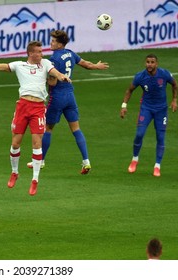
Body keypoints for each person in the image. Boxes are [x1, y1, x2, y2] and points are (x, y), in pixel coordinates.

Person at [0, 41, 71, 196]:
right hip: (23, 107)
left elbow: (55, 73)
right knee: (15, 143)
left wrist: (61, 76)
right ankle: (14, 172)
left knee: (36, 142)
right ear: (31, 53)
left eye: (41, 51)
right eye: (39, 52)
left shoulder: (45, 64)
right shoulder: (19, 65)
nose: (41, 54)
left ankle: (35, 180)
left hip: (38, 108)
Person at [26, 30, 109, 174]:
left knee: (48, 129)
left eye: (53, 41)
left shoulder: (54, 59)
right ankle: (86, 161)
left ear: (59, 43)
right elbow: (86, 64)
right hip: (70, 95)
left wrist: (42, 77)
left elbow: (52, 83)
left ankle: (41, 161)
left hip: (57, 97)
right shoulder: (70, 53)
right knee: (76, 129)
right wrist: (97, 66)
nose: (50, 43)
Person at [120, 54, 178, 177]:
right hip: (146, 109)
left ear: (157, 64)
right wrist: (124, 106)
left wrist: (174, 100)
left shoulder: (164, 74)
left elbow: (174, 84)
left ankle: (157, 166)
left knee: (160, 137)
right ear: (145, 63)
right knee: (139, 134)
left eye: (152, 62)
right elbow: (129, 90)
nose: (149, 64)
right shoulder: (140, 76)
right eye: (147, 62)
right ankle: (135, 159)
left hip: (161, 110)